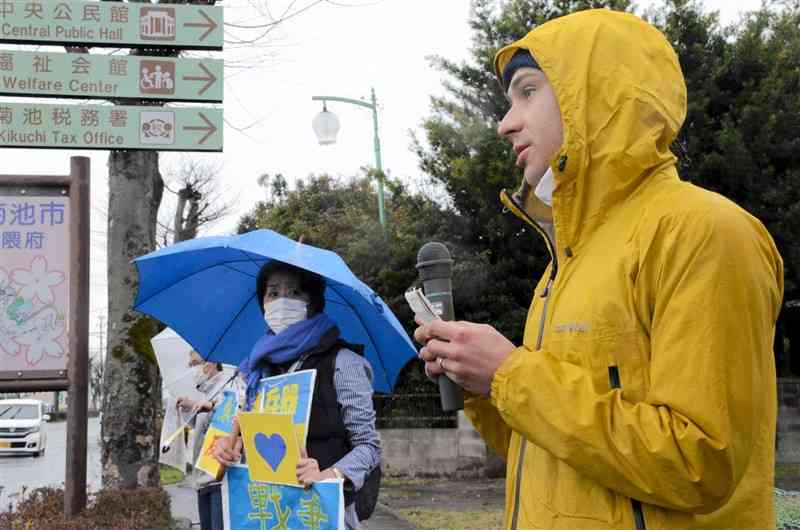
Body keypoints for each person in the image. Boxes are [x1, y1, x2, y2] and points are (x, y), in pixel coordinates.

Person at [415, 9, 783, 530]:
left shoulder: (705, 231)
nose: (505, 124)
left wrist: (511, 374)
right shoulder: (563, 265)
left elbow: (700, 461)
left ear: (595, 92)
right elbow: (551, 450)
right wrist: (483, 387)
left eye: (526, 92)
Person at [213, 261, 380, 530]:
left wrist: (328, 474)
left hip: (319, 512)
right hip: (263, 512)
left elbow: (368, 447)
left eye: (294, 293)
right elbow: (231, 436)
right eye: (273, 293)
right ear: (263, 303)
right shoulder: (254, 368)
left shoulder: (343, 362)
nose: (281, 302)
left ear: (312, 302)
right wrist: (225, 447)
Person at [176, 353, 227, 530]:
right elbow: (198, 426)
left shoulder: (228, 386)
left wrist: (211, 407)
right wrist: (187, 409)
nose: (194, 371)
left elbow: (231, 418)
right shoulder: (205, 392)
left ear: (211, 364)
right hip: (201, 474)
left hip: (219, 476)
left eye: (196, 364)